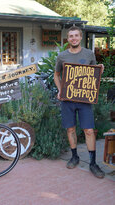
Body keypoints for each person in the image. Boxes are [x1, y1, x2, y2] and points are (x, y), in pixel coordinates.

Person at [54, 26, 105, 179]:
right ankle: (74, 156)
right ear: (67, 38)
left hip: (84, 100)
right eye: (71, 36)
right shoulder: (62, 56)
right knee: (70, 129)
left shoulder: (89, 54)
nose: (73, 38)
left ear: (80, 37)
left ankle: (92, 163)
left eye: (76, 35)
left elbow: (93, 75)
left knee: (89, 130)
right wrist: (60, 90)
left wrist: (100, 70)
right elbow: (56, 75)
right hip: (67, 99)